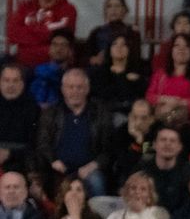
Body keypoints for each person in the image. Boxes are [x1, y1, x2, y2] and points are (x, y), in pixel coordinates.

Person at [35, 68, 113, 198]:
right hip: (58, 168)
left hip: (89, 170)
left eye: (79, 87)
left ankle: (98, 211)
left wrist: (93, 165)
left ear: (87, 89)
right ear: (63, 89)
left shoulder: (100, 113)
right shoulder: (51, 113)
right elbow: (42, 143)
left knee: (96, 181)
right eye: (70, 87)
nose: (75, 91)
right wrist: (53, 161)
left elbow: (108, 149)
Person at [7, 0, 77, 68]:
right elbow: (12, 34)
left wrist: (28, 34)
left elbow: (60, 42)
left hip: (52, 65)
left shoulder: (68, 10)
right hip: (21, 64)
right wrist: (44, 34)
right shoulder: (25, 7)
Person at [146, 33, 190, 125]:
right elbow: (149, 96)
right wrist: (166, 99)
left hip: (187, 120)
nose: (181, 49)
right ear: (171, 50)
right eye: (177, 45)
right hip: (161, 113)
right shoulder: (160, 73)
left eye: (186, 46)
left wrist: (180, 103)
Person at [88, 31, 147, 124]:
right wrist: (123, 77)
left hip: (131, 114)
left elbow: (132, 97)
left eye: (123, 45)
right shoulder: (100, 72)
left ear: (129, 49)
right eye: (114, 44)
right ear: (109, 49)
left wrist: (121, 75)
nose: (119, 47)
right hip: (105, 114)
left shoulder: (139, 71)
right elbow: (102, 95)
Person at [140, 126, 190, 214]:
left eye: (172, 141)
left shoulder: (189, 173)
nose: (167, 144)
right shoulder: (142, 171)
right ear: (154, 145)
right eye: (163, 140)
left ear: (180, 147)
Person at [106, 99, 155, 191]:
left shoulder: (156, 133)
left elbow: (148, 162)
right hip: (126, 176)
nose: (138, 122)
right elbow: (125, 165)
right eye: (135, 117)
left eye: (143, 118)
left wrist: (141, 141)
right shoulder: (121, 133)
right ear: (129, 117)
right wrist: (138, 142)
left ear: (151, 119)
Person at [0, 64, 40, 174]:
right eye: (6, 80)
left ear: (22, 84)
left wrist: (9, 154)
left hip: (20, 164)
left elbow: (35, 146)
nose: (10, 85)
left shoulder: (32, 108)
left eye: (15, 81)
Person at [83, 0, 142, 67]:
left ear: (124, 10)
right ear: (105, 11)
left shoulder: (132, 31)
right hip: (100, 68)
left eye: (117, 6)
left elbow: (136, 57)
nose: (113, 9)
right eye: (109, 6)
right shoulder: (96, 32)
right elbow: (86, 56)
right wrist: (93, 59)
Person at [28, 29, 76, 108]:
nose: (59, 49)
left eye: (63, 45)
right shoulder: (35, 72)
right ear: (49, 49)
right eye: (55, 44)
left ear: (71, 51)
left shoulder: (75, 77)